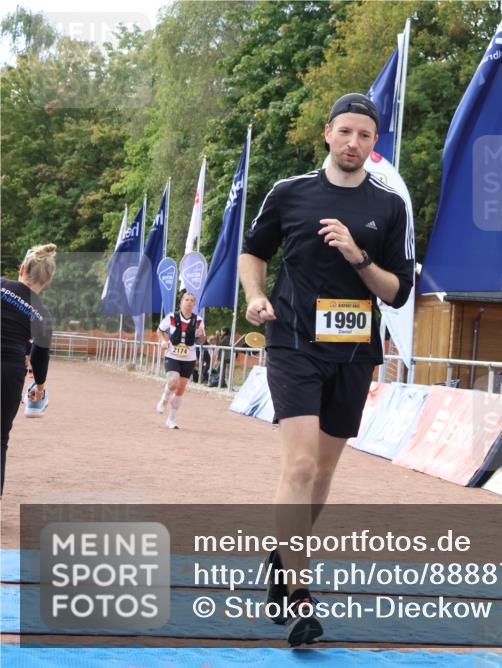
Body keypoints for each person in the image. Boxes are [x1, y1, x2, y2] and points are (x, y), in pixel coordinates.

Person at [238, 92, 413, 646]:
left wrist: (358, 256)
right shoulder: (290, 193)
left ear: (374, 143)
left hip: (355, 350)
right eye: (345, 133)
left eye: (364, 135)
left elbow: (399, 291)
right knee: (300, 466)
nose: (353, 143)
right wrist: (254, 296)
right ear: (327, 134)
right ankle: (300, 597)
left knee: (323, 474)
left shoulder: (389, 206)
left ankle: (281, 559)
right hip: (292, 342)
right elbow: (253, 251)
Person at [1, 244, 57, 495]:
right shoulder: (42, 314)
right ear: (48, 281)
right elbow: (39, 354)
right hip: (9, 372)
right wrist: (40, 386)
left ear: (22, 269)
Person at [155, 291, 206, 429]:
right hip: (172, 355)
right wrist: (163, 341)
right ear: (181, 302)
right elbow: (160, 330)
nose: (189, 302)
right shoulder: (171, 317)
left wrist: (201, 335)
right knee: (173, 382)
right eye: (186, 299)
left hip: (189, 358)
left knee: (181, 388)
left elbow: (202, 341)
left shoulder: (199, 320)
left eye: (191, 300)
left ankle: (171, 419)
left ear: (194, 304)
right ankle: (164, 400)